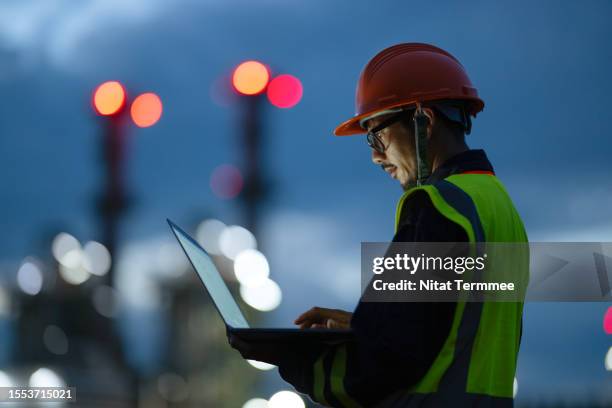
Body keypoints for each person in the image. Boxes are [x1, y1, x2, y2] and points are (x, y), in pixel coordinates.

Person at [229, 43, 528, 407]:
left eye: (377, 134)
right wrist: (369, 325)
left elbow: (385, 361)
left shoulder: (437, 207)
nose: (375, 154)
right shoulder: (496, 205)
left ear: (425, 122)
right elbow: (446, 331)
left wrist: (293, 359)